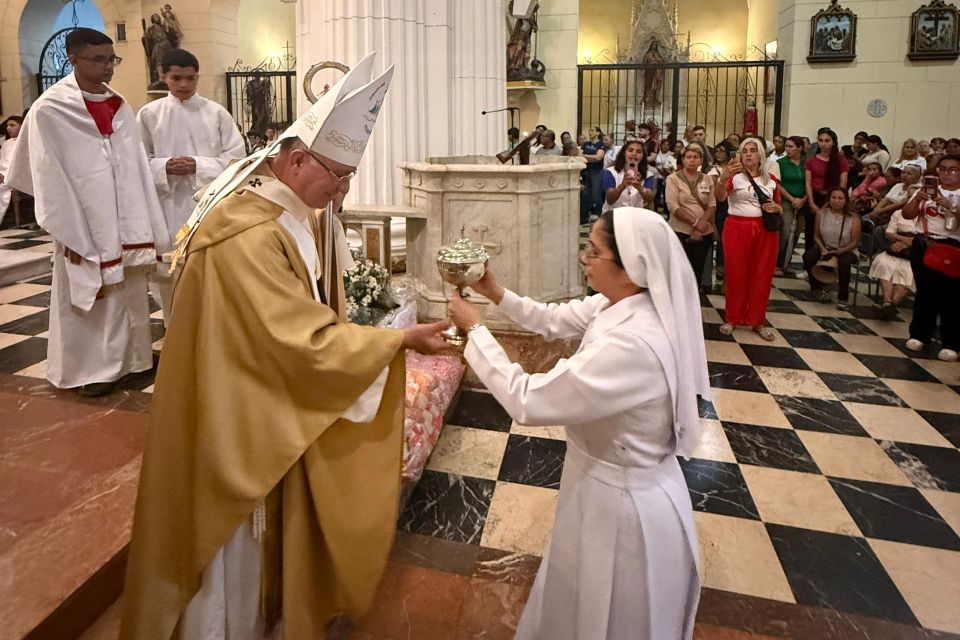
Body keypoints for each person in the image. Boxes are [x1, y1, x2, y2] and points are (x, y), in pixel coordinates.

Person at [121, 54, 456, 639]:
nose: (344, 190)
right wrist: (396, 340)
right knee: (234, 549)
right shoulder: (247, 234)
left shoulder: (290, 209)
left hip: (262, 396)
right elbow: (297, 339)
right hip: (234, 423)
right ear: (297, 159)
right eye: (339, 176)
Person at [448, 207, 708, 640]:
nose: (584, 259)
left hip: (625, 506)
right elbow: (551, 320)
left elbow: (527, 400)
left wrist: (476, 332)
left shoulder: (633, 344)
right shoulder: (624, 300)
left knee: (612, 612)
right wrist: (492, 290)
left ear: (633, 267)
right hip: (598, 483)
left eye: (594, 252)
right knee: (577, 602)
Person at [6, 28, 170, 397]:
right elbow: (40, 172)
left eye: (112, 58)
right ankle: (91, 371)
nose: (108, 67)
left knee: (128, 290)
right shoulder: (51, 108)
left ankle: (134, 361)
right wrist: (66, 227)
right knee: (94, 295)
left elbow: (135, 164)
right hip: (83, 221)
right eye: (98, 59)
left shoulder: (120, 105)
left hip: (125, 219)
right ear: (74, 60)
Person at [137, 48, 246, 323]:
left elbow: (238, 159)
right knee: (170, 272)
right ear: (163, 76)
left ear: (198, 77)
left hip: (209, 205)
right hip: (168, 205)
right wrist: (163, 167)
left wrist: (198, 166)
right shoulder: (149, 114)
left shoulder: (217, 113)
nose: (184, 85)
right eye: (176, 78)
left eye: (190, 78)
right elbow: (136, 161)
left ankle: (213, 328)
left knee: (211, 268)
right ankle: (174, 329)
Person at [715, 137, 782, 341]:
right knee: (736, 273)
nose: (749, 154)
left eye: (753, 150)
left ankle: (757, 320)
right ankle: (732, 317)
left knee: (762, 274)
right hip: (737, 227)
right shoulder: (734, 177)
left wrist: (776, 208)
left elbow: (777, 204)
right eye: (745, 151)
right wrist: (722, 178)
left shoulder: (770, 179)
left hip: (765, 231)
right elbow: (719, 198)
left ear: (760, 155)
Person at [900, 153, 960, 362]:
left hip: (952, 245)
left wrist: (951, 206)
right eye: (942, 169)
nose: (946, 174)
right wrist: (918, 198)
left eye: (952, 170)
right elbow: (907, 214)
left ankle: (951, 342)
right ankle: (919, 335)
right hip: (925, 242)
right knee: (925, 292)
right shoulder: (925, 189)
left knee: (951, 296)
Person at [803, 188, 861, 310]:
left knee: (844, 262)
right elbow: (816, 236)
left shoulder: (854, 218)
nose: (836, 201)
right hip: (826, 246)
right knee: (808, 256)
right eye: (833, 198)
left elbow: (855, 242)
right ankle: (817, 288)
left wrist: (840, 251)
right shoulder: (821, 214)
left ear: (846, 201)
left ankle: (843, 296)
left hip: (847, 249)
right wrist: (822, 248)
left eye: (840, 198)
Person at [666, 144, 716, 286]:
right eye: (688, 157)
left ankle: (694, 302)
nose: (692, 160)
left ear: (701, 160)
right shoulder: (673, 179)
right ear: (683, 159)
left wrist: (700, 228)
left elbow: (712, 204)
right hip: (681, 231)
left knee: (697, 272)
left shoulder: (707, 179)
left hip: (703, 233)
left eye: (696, 157)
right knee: (680, 272)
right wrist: (695, 223)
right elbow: (673, 206)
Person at [869, 208, 918, 320]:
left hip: (914, 255)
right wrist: (904, 240)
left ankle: (887, 305)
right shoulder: (899, 213)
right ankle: (889, 305)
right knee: (884, 264)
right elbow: (889, 233)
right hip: (894, 250)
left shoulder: (929, 215)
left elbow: (929, 238)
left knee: (910, 272)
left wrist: (908, 244)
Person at [804, 128, 848, 251]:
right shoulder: (811, 160)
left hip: (833, 198)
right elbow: (808, 183)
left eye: (827, 141)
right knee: (810, 229)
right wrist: (812, 203)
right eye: (821, 140)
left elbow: (842, 184)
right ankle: (809, 261)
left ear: (833, 142)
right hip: (814, 196)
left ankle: (827, 258)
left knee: (827, 230)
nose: (823, 144)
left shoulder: (840, 160)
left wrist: (830, 202)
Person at [776, 135, 807, 274]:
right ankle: (778, 262)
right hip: (786, 200)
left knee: (797, 232)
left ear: (799, 148)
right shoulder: (781, 163)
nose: (787, 149)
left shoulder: (806, 162)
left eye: (791, 146)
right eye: (786, 146)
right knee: (786, 231)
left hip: (803, 200)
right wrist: (791, 198)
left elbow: (811, 183)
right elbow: (777, 184)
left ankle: (787, 262)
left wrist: (803, 199)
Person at [603, 139, 656, 212]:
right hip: (613, 216)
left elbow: (649, 199)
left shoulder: (649, 175)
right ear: (624, 153)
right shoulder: (611, 172)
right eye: (630, 150)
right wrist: (622, 186)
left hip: (635, 217)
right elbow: (610, 200)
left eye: (639, 152)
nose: (634, 154)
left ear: (643, 156)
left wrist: (640, 188)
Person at [581, 127, 607, 222]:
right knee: (585, 194)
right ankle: (584, 217)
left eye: (592, 130)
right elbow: (579, 155)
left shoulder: (601, 144)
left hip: (597, 172)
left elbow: (598, 157)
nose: (589, 132)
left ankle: (598, 216)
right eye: (589, 130)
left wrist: (584, 156)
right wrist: (589, 157)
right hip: (586, 171)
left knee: (596, 195)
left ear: (598, 132)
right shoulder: (586, 144)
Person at [0, 115, 23, 223]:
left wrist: (6, 175)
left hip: (15, 176)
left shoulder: (25, 142)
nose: (8, 128)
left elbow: (23, 164)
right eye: (7, 125)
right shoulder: (6, 144)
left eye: (12, 125)